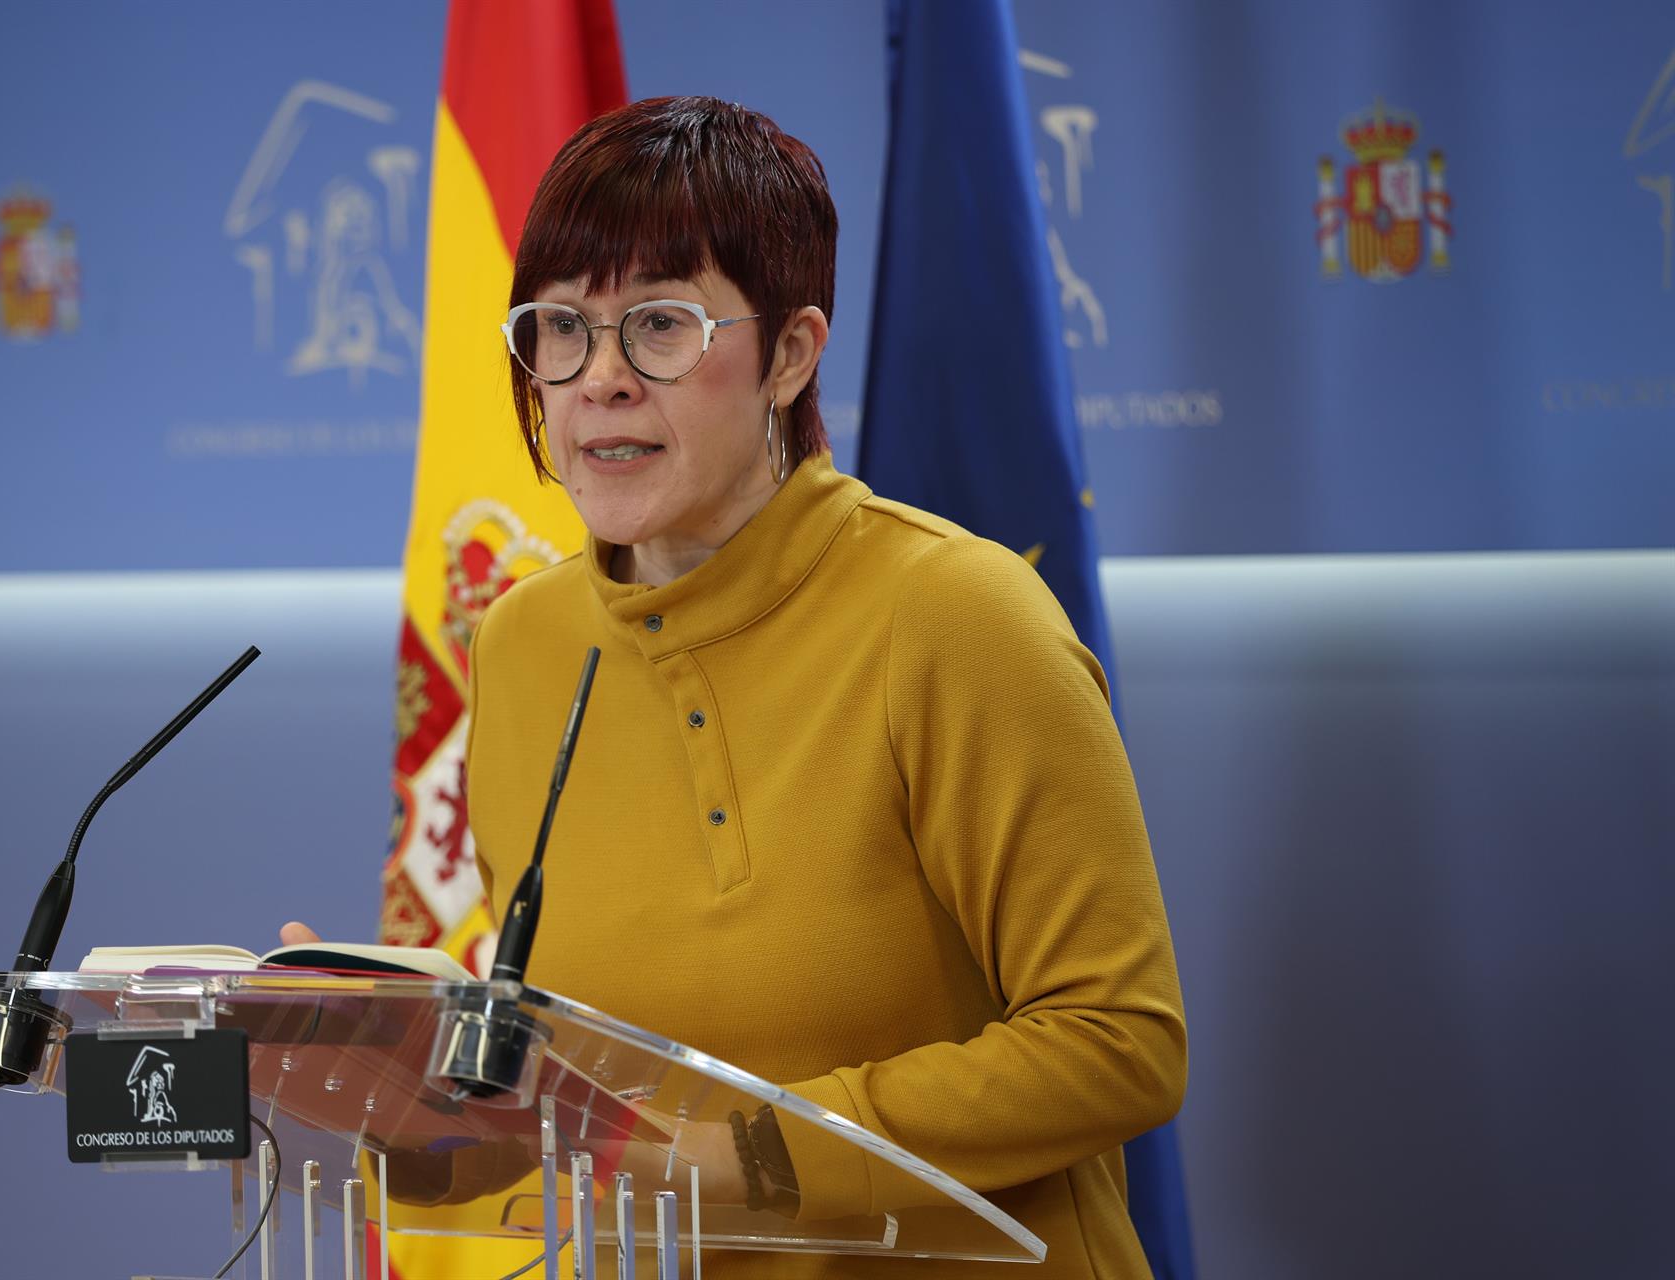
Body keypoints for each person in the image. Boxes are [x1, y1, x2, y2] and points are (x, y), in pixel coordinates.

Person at [292, 95, 1184, 1278]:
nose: (598, 379)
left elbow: (1118, 1041)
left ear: (791, 353)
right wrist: (399, 1080)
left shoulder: (956, 614)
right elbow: (573, 1090)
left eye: (659, 325)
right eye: (559, 329)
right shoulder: (519, 643)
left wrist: (745, 1152)